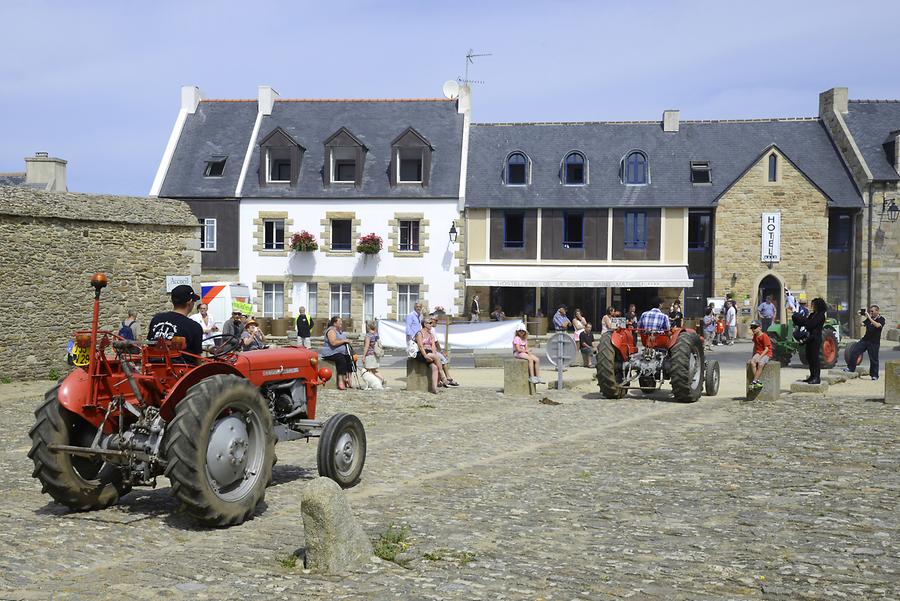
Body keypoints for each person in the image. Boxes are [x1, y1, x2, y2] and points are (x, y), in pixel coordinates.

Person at [147, 284, 203, 363]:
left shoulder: (156, 319)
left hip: (154, 368)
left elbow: (150, 344)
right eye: (194, 301)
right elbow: (198, 358)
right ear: (190, 302)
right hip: (182, 370)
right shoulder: (194, 326)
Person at [844, 305, 886, 381]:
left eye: (872, 311)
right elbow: (861, 325)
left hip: (874, 342)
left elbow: (877, 326)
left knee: (874, 359)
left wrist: (869, 318)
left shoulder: (881, 319)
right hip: (865, 340)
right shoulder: (869, 319)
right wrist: (859, 315)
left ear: (877, 311)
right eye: (870, 311)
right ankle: (850, 368)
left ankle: (874, 375)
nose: (871, 313)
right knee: (854, 351)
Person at [792, 297, 827, 384]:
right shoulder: (813, 314)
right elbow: (807, 322)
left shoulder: (821, 315)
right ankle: (812, 376)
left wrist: (804, 321)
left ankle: (816, 377)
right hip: (809, 338)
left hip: (815, 338)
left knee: (815, 358)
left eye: (814, 305)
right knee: (809, 357)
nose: (813, 306)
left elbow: (811, 324)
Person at [321, 316, 353, 390]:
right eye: (339, 322)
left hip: (339, 352)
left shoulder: (340, 331)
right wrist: (344, 341)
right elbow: (333, 342)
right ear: (335, 323)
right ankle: (340, 381)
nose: (341, 323)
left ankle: (348, 379)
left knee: (350, 358)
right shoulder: (331, 331)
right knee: (341, 359)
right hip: (330, 353)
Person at [414, 317, 444, 393]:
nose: (432, 324)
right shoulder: (419, 333)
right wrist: (425, 356)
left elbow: (433, 346)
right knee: (436, 357)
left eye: (432, 323)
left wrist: (434, 355)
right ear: (425, 324)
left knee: (434, 368)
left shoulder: (431, 335)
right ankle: (443, 375)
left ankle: (434, 388)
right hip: (421, 353)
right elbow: (420, 346)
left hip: (430, 353)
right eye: (430, 323)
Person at [748, 321, 773, 389]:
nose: (753, 329)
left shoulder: (764, 336)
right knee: (752, 362)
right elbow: (755, 346)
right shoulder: (755, 336)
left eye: (755, 327)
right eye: (752, 328)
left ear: (760, 328)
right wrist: (753, 355)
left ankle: (754, 381)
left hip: (766, 353)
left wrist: (760, 357)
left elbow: (767, 349)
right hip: (758, 352)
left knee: (760, 363)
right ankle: (757, 381)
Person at [362, 320, 386, 387]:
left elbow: (367, 346)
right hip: (376, 354)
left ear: (368, 326)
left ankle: (370, 383)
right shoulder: (376, 334)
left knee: (368, 370)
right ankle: (383, 379)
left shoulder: (368, 335)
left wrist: (363, 356)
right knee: (374, 370)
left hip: (369, 355)